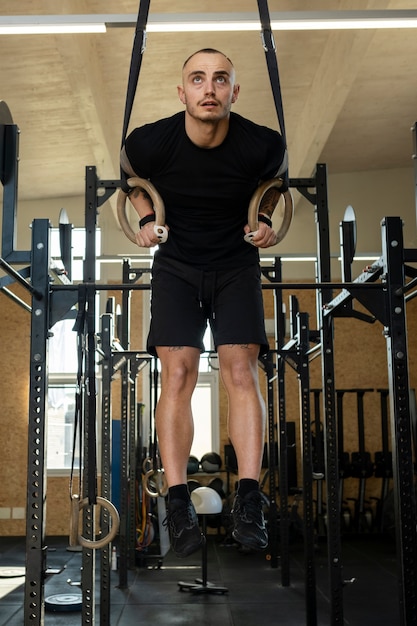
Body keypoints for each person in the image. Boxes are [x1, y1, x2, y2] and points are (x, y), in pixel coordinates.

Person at [120, 48, 288, 557]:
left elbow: (274, 185)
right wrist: (147, 215)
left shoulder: (261, 143)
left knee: (242, 372)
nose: (209, 88)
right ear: (183, 92)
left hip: (236, 264)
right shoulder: (151, 141)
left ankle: (251, 499)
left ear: (234, 92)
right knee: (178, 376)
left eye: (220, 80)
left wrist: (263, 219)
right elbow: (129, 178)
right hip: (175, 265)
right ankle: (176, 500)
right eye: (198, 79)